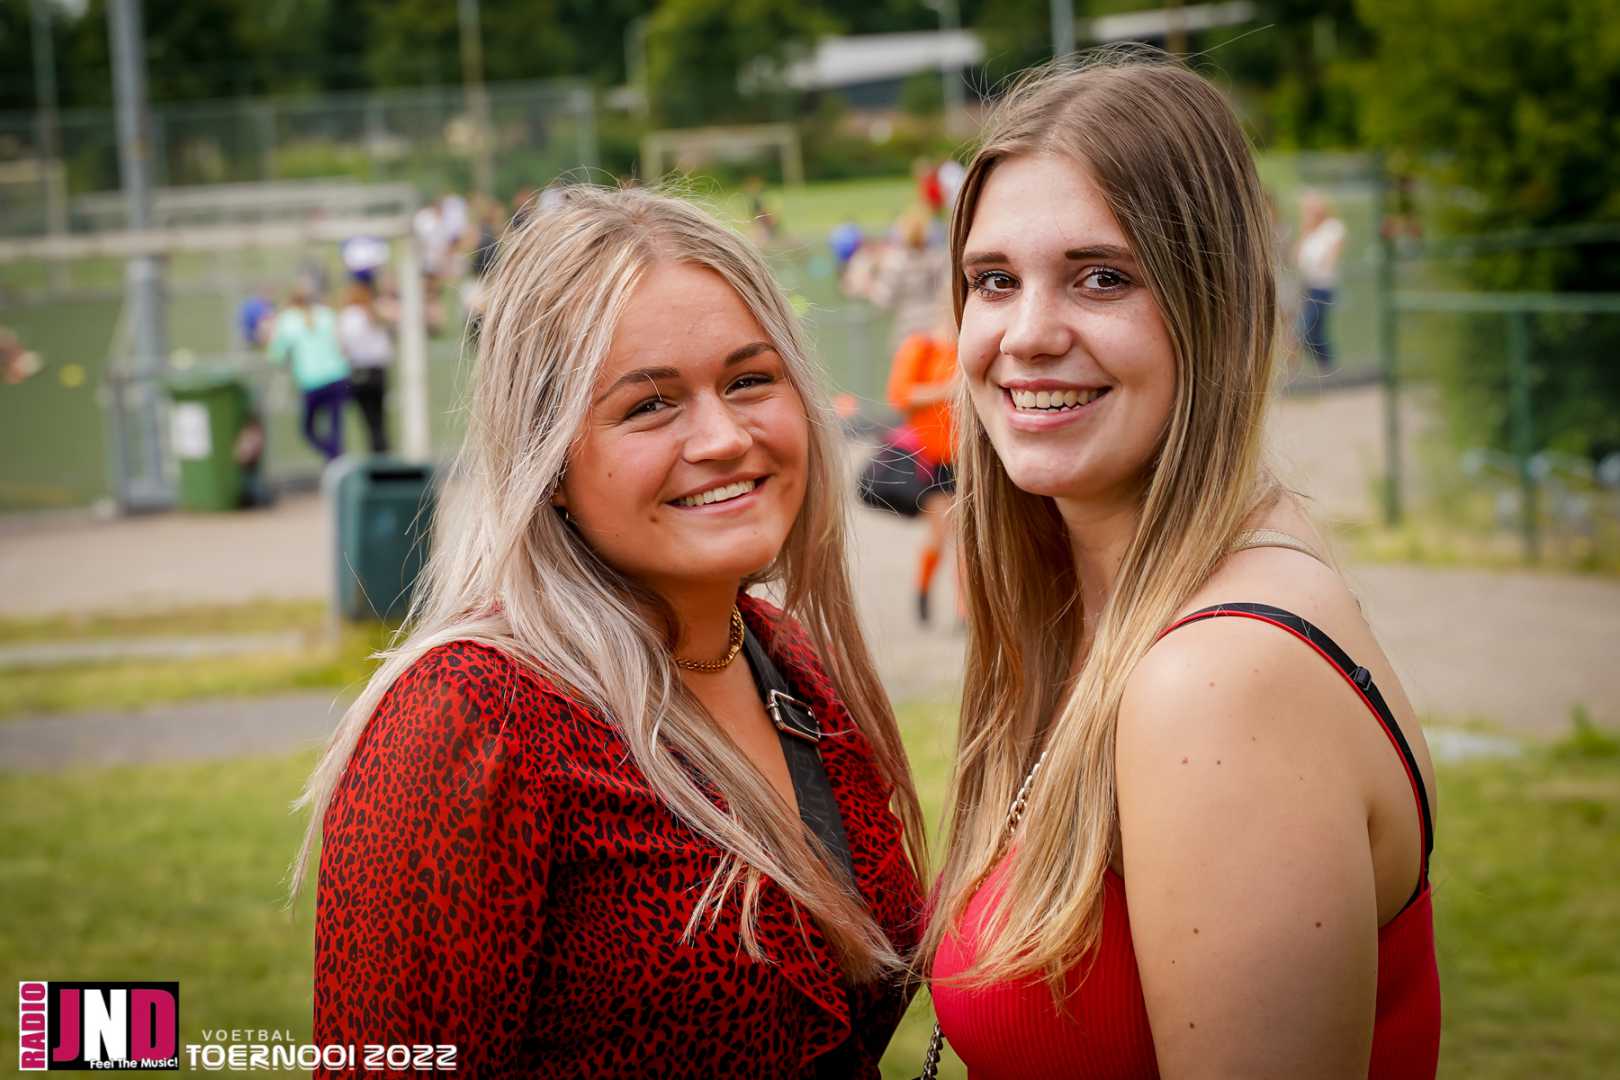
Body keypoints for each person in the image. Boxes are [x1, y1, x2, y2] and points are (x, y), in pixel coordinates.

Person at [296, 185, 926, 1078]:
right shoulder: (471, 721)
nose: (723, 437)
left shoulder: (793, 664)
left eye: (749, 380)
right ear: (549, 463)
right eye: (649, 405)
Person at [921, 52, 1440, 1079]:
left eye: (1102, 277)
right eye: (994, 281)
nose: (1028, 335)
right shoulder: (1100, 605)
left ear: (1217, 304)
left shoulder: (1218, 682)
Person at [884, 297, 958, 625]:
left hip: (967, 456)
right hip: (933, 456)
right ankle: (924, 589)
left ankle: (966, 612)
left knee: (969, 539)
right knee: (941, 535)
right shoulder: (922, 348)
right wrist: (947, 390)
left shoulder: (969, 350)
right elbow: (900, 395)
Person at [267, 278, 350, 462]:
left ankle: (334, 457)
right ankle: (336, 457)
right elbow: (342, 345)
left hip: (312, 381)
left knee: (308, 430)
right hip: (337, 376)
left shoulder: (287, 320)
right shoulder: (326, 314)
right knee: (335, 428)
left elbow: (276, 354)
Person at [336, 278, 397, 454]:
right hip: (378, 371)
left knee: (368, 418)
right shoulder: (374, 312)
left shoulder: (349, 316)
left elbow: (344, 346)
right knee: (379, 418)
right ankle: (382, 451)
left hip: (359, 371)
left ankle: (376, 453)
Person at [1296, 189, 1346, 373]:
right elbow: (1297, 257)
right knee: (1311, 332)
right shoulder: (1309, 231)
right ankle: (1327, 366)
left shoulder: (1333, 228)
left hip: (1323, 287)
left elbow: (1329, 258)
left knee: (1309, 330)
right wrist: (1305, 229)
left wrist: (1320, 263)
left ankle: (1328, 365)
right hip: (1308, 286)